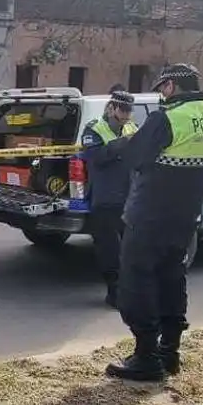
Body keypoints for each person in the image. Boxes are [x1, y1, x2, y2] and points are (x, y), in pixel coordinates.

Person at [106, 64, 203, 382]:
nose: (161, 94)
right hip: (185, 218)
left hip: (149, 217)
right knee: (172, 279)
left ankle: (146, 357)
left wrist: (117, 146)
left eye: (162, 87)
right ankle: (169, 352)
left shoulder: (167, 118)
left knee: (137, 283)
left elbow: (134, 157)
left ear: (171, 86)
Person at [80, 90, 138, 308]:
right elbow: (96, 158)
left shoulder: (132, 127)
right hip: (105, 199)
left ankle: (129, 290)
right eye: (122, 110)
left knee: (130, 248)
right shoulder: (94, 129)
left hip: (129, 197)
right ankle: (114, 292)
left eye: (129, 111)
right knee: (109, 249)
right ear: (112, 108)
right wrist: (123, 143)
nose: (126, 115)